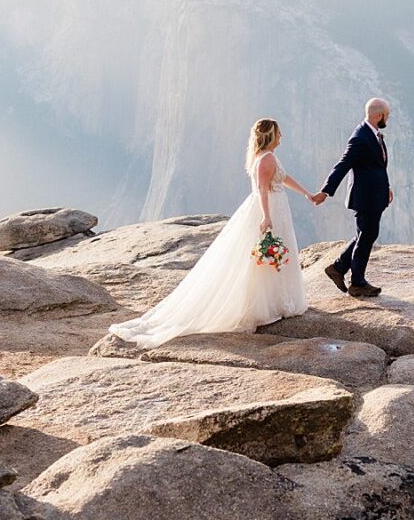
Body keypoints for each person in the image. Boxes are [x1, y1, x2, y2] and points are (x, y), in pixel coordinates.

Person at [106, 118, 320, 349]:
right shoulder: (266, 158)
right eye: (279, 133)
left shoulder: (266, 157)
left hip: (275, 208)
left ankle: (275, 301)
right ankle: (266, 303)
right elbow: (261, 189)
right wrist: (267, 217)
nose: (282, 136)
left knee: (269, 255)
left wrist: (307, 194)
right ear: (271, 136)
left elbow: (282, 178)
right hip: (269, 209)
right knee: (264, 256)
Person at [312, 97, 392, 298]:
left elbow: (378, 166)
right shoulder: (360, 137)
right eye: (387, 115)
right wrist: (326, 191)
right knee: (366, 236)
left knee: (365, 235)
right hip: (366, 197)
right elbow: (343, 164)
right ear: (379, 115)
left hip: (376, 194)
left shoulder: (373, 134)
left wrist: (387, 186)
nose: (388, 119)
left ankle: (338, 269)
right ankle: (357, 283)